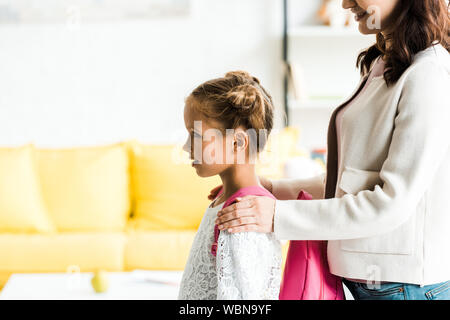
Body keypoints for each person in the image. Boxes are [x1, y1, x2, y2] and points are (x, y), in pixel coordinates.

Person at [214, 0, 450, 300]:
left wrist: (277, 216)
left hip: (404, 288)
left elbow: (391, 203)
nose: (345, 3)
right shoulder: (387, 63)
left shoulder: (428, 74)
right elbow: (351, 181)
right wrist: (271, 189)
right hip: (375, 283)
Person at [178, 71, 282, 299]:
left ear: (237, 142)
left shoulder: (243, 219)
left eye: (195, 135)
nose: (187, 147)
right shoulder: (227, 201)